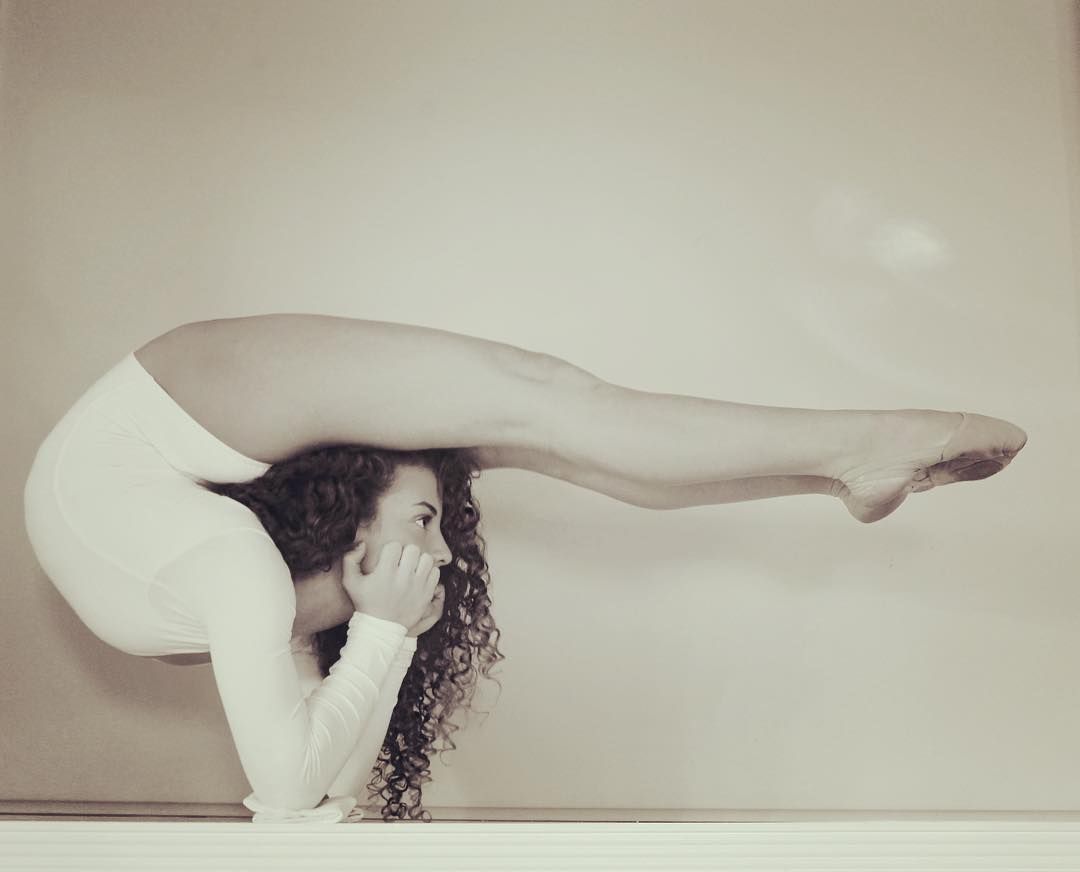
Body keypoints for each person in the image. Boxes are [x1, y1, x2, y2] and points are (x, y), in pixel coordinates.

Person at [22, 313, 1027, 822]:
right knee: (544, 439)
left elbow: (290, 787)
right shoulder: (257, 590)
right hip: (137, 468)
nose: (443, 552)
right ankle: (835, 470)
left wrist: (379, 632)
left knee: (539, 395)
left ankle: (863, 443)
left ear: (344, 498)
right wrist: (382, 633)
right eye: (430, 520)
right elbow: (311, 792)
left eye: (427, 518)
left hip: (168, 407)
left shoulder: (234, 564)